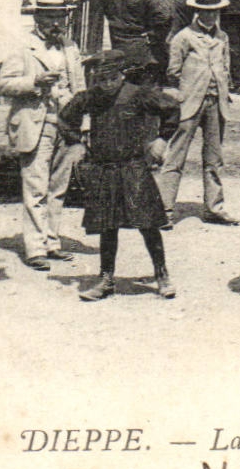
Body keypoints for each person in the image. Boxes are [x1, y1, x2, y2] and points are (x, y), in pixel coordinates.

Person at [65, 46, 182, 301]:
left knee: (148, 223)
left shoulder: (137, 94)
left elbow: (171, 109)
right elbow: (66, 117)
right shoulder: (91, 97)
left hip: (133, 167)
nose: (107, 84)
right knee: (108, 226)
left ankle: (162, 274)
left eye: (112, 78)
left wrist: (161, 140)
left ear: (122, 75)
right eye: (102, 79)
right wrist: (75, 142)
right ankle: (106, 279)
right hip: (104, 169)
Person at [0, 0, 86, 271]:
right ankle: (35, 248)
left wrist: (82, 122)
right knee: (35, 186)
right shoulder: (21, 44)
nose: (56, 24)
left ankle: (52, 241)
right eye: (50, 17)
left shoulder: (70, 46)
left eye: (60, 17)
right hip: (36, 122)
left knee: (58, 187)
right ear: (38, 17)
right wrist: (36, 81)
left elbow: (80, 88)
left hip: (65, 124)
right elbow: (4, 84)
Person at [156, 0, 239, 227]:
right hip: (190, 103)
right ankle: (165, 210)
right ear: (197, 12)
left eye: (214, 12)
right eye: (206, 12)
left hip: (216, 102)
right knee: (175, 156)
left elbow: (225, 66)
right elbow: (173, 71)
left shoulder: (222, 37)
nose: (211, 17)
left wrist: (223, 89)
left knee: (214, 158)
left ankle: (214, 207)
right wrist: (186, 89)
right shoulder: (184, 36)